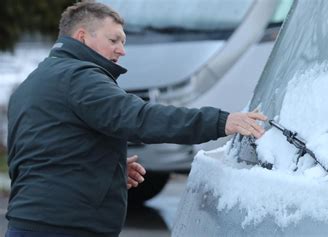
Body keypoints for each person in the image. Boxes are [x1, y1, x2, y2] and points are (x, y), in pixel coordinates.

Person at [6, 1, 267, 237]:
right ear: (82, 37)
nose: (122, 50)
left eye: (123, 42)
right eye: (114, 40)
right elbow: (142, 118)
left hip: (28, 222)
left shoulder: (33, 83)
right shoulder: (81, 78)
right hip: (66, 227)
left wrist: (106, 168)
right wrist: (221, 121)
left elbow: (42, 157)